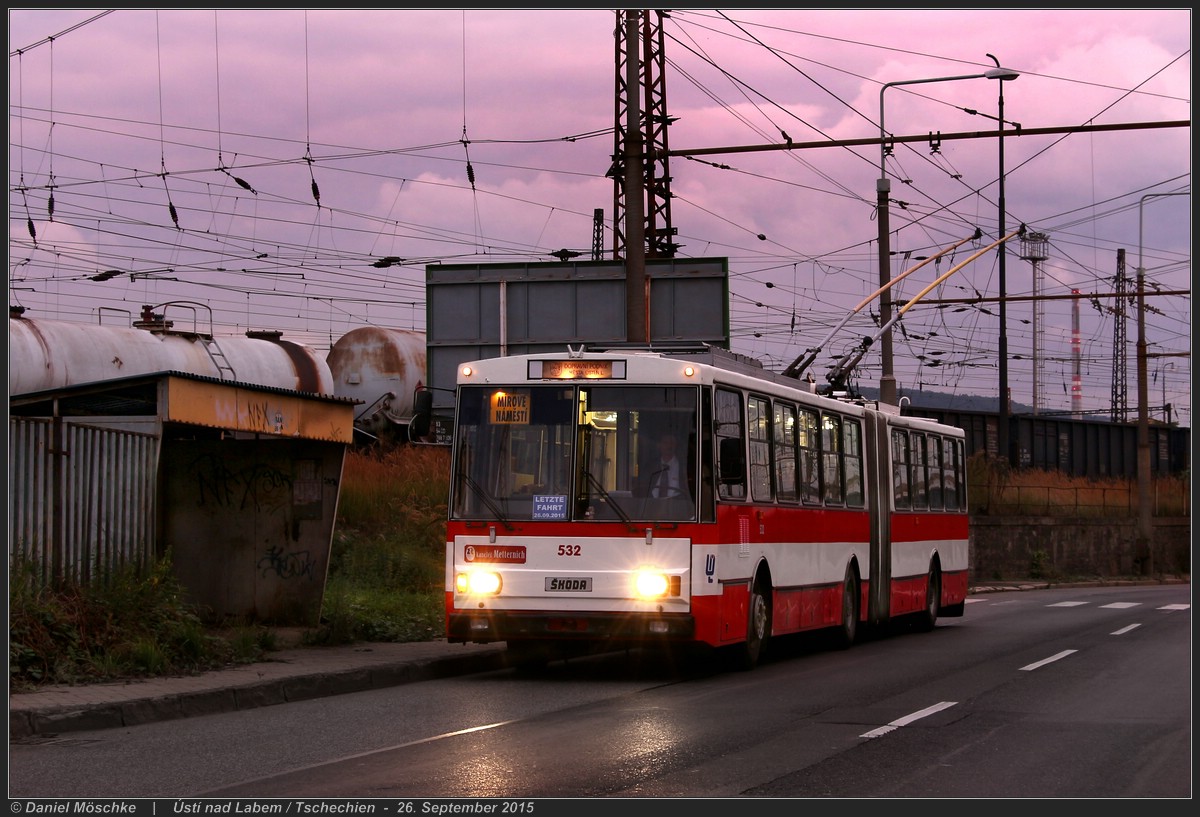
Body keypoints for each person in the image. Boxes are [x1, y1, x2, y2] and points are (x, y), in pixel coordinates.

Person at [648, 432, 685, 499]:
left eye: (672, 443)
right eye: (665, 443)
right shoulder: (650, 466)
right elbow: (643, 489)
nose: (669, 446)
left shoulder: (684, 468)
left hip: (677, 507)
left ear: (676, 446)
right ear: (659, 445)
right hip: (652, 505)